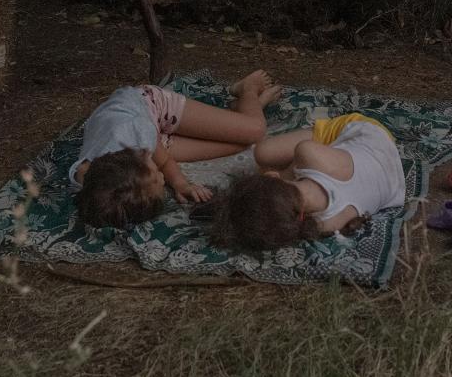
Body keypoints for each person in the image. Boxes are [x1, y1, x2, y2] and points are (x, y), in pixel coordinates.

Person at [72, 70, 281, 228]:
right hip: (145, 133)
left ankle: (247, 91)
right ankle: (243, 113)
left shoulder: (140, 134)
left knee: (255, 131)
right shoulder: (95, 181)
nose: (163, 180)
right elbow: (116, 197)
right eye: (161, 184)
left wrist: (178, 181)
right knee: (240, 144)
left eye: (156, 176)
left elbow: (163, 162)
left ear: (142, 155)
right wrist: (184, 186)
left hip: (150, 105)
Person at [208, 112, 405, 252]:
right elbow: (282, 176)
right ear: (272, 178)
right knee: (263, 152)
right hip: (376, 139)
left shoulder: (326, 224)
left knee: (265, 156)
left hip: (393, 183)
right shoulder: (307, 153)